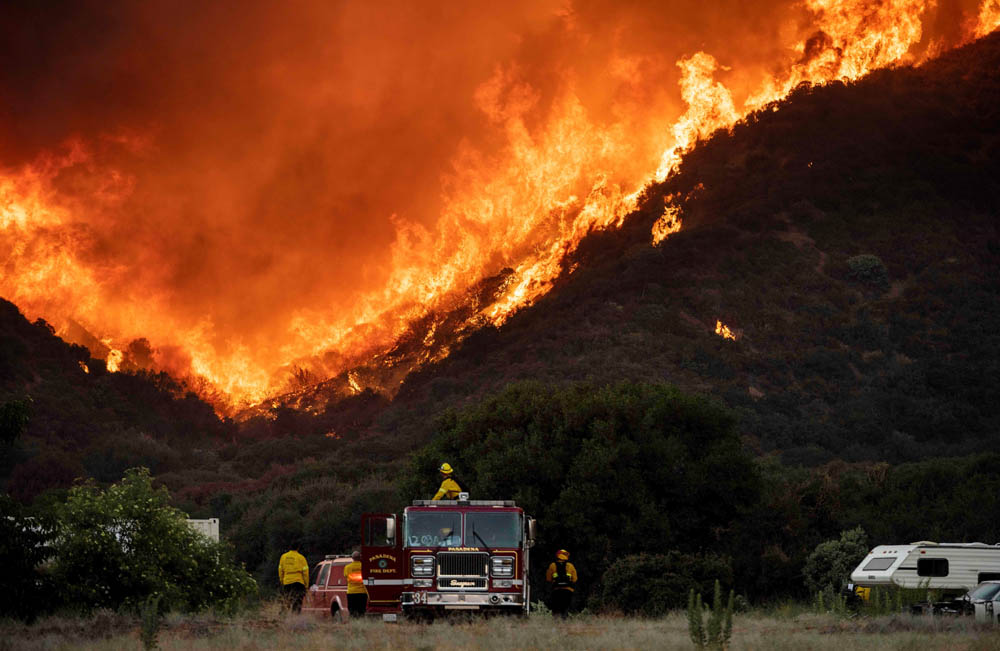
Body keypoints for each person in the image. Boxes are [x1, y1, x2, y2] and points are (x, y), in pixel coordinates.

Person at [277, 542, 309, 614]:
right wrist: (306, 585)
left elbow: (280, 570)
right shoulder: (301, 558)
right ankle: (295, 618)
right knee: (297, 602)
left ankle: (283, 616)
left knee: (286, 601)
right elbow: (305, 573)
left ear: (289, 548)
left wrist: (281, 580)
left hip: (287, 582)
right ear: (298, 548)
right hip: (298, 583)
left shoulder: (283, 557)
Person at [546, 549, 577, 618]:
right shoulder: (570, 566)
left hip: (556, 591)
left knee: (556, 609)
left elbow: (548, 579)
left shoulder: (552, 565)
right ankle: (564, 622)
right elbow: (575, 579)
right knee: (565, 608)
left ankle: (556, 623)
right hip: (568, 591)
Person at [344, 551, 368, 617]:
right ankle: (361, 623)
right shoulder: (364, 567)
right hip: (362, 592)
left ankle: (353, 622)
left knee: (352, 610)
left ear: (352, 558)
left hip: (351, 592)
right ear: (360, 557)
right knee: (362, 610)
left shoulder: (347, 567)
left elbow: (345, 576)